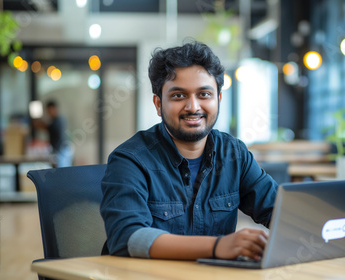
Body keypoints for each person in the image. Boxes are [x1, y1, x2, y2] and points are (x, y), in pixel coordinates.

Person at [100, 41, 278, 261]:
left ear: (218, 99)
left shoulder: (235, 154)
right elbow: (127, 238)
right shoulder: (130, 160)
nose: (193, 107)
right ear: (158, 104)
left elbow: (280, 211)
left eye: (204, 94)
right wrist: (217, 247)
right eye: (178, 96)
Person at [33, 101, 73, 167]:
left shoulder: (57, 121)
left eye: (49, 110)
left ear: (54, 109)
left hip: (62, 150)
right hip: (60, 150)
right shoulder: (58, 119)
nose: (48, 112)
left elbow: (45, 127)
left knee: (62, 172)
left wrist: (36, 122)